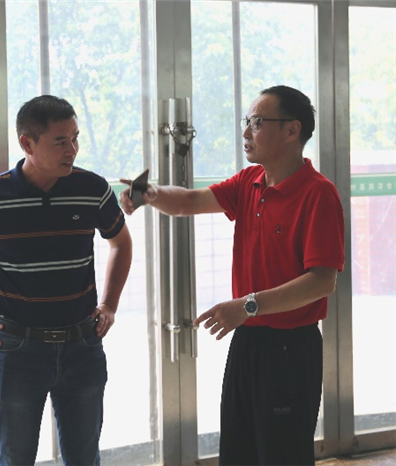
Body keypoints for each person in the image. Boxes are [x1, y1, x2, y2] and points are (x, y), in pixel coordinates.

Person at [120, 85, 345, 466]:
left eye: (257, 122)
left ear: (292, 130)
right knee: (240, 453)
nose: (245, 132)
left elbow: (323, 281)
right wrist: (151, 193)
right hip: (248, 340)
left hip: (290, 348)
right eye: (247, 121)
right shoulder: (249, 181)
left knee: (282, 456)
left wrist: (248, 305)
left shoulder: (318, 194)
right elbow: (190, 201)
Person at [0, 95, 133, 466]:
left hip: (83, 344)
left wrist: (110, 305)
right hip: (17, 350)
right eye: (60, 141)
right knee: (14, 458)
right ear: (27, 143)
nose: (72, 150)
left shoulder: (92, 189)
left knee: (84, 458)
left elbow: (121, 242)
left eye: (75, 138)